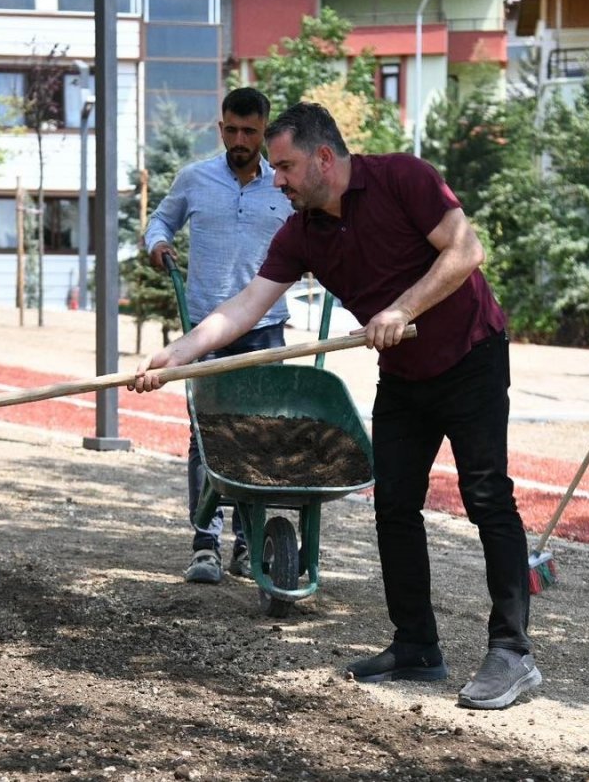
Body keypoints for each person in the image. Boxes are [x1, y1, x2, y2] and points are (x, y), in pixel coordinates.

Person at [130, 101, 541, 711]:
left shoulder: (405, 177)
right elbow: (245, 306)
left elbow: (465, 252)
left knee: (487, 498)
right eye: (275, 168)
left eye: (287, 166)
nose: (278, 180)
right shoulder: (302, 232)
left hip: (471, 355)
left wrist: (401, 309)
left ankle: (512, 653)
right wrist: (179, 354)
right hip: (404, 375)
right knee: (395, 505)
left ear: (324, 157)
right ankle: (417, 646)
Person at [143, 87, 294, 585]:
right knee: (204, 435)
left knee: (257, 435)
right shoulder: (196, 178)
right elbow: (161, 218)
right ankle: (205, 543)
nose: (239, 139)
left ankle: (248, 547)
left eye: (249, 131)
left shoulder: (284, 186)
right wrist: (158, 242)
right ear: (221, 127)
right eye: (231, 129)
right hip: (206, 326)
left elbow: (322, 232)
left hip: (265, 328)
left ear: (265, 132)